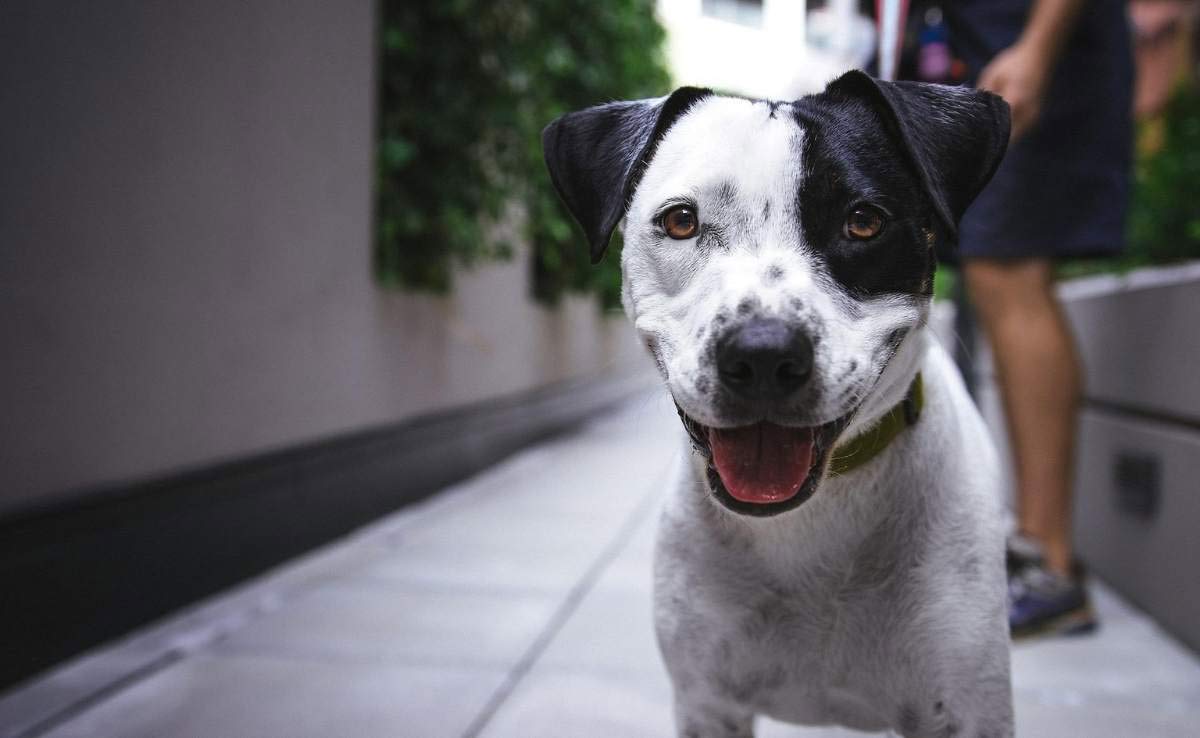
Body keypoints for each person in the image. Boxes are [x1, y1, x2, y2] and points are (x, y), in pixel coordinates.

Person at [941, 0, 1134, 637]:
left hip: (1028, 55)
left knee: (1009, 267)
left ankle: (1049, 566)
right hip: (998, 53)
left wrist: (1038, 49)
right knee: (995, 268)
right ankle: (1035, 556)